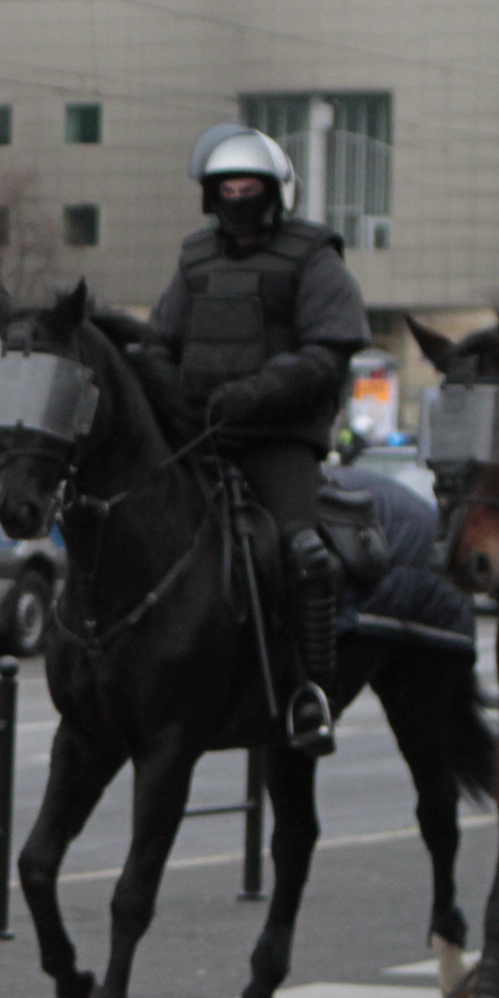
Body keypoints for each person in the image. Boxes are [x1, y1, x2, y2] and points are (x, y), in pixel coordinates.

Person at [147, 123, 370, 754]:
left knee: (305, 555)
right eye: (227, 186)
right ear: (211, 194)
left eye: (249, 185)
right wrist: (173, 388)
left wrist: (257, 391)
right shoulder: (194, 258)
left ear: (275, 192)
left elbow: (328, 352)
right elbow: (159, 342)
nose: (238, 195)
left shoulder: (314, 256)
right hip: (201, 436)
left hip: (278, 442)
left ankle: (311, 693)